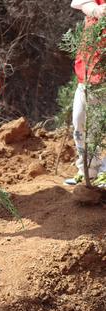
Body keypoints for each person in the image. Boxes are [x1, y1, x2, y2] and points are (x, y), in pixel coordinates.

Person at [64, 0, 106, 187]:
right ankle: (88, 171)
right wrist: (96, 10)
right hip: (90, 69)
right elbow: (82, 2)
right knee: (80, 120)